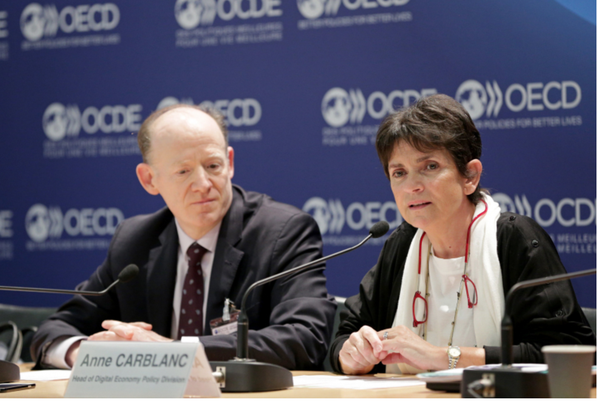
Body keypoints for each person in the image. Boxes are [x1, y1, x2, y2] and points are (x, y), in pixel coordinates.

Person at [32, 104, 336, 370]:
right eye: (184, 172)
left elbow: (305, 337)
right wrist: (85, 352)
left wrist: (174, 353)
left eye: (213, 166)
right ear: (149, 179)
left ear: (230, 163)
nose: (203, 183)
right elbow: (56, 328)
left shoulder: (282, 232)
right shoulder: (134, 241)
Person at [329, 94, 595, 375]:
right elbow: (343, 337)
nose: (412, 186)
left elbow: (568, 352)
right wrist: (351, 354)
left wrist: (443, 358)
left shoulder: (513, 239)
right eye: (399, 173)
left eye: (430, 167)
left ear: (470, 176)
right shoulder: (404, 243)